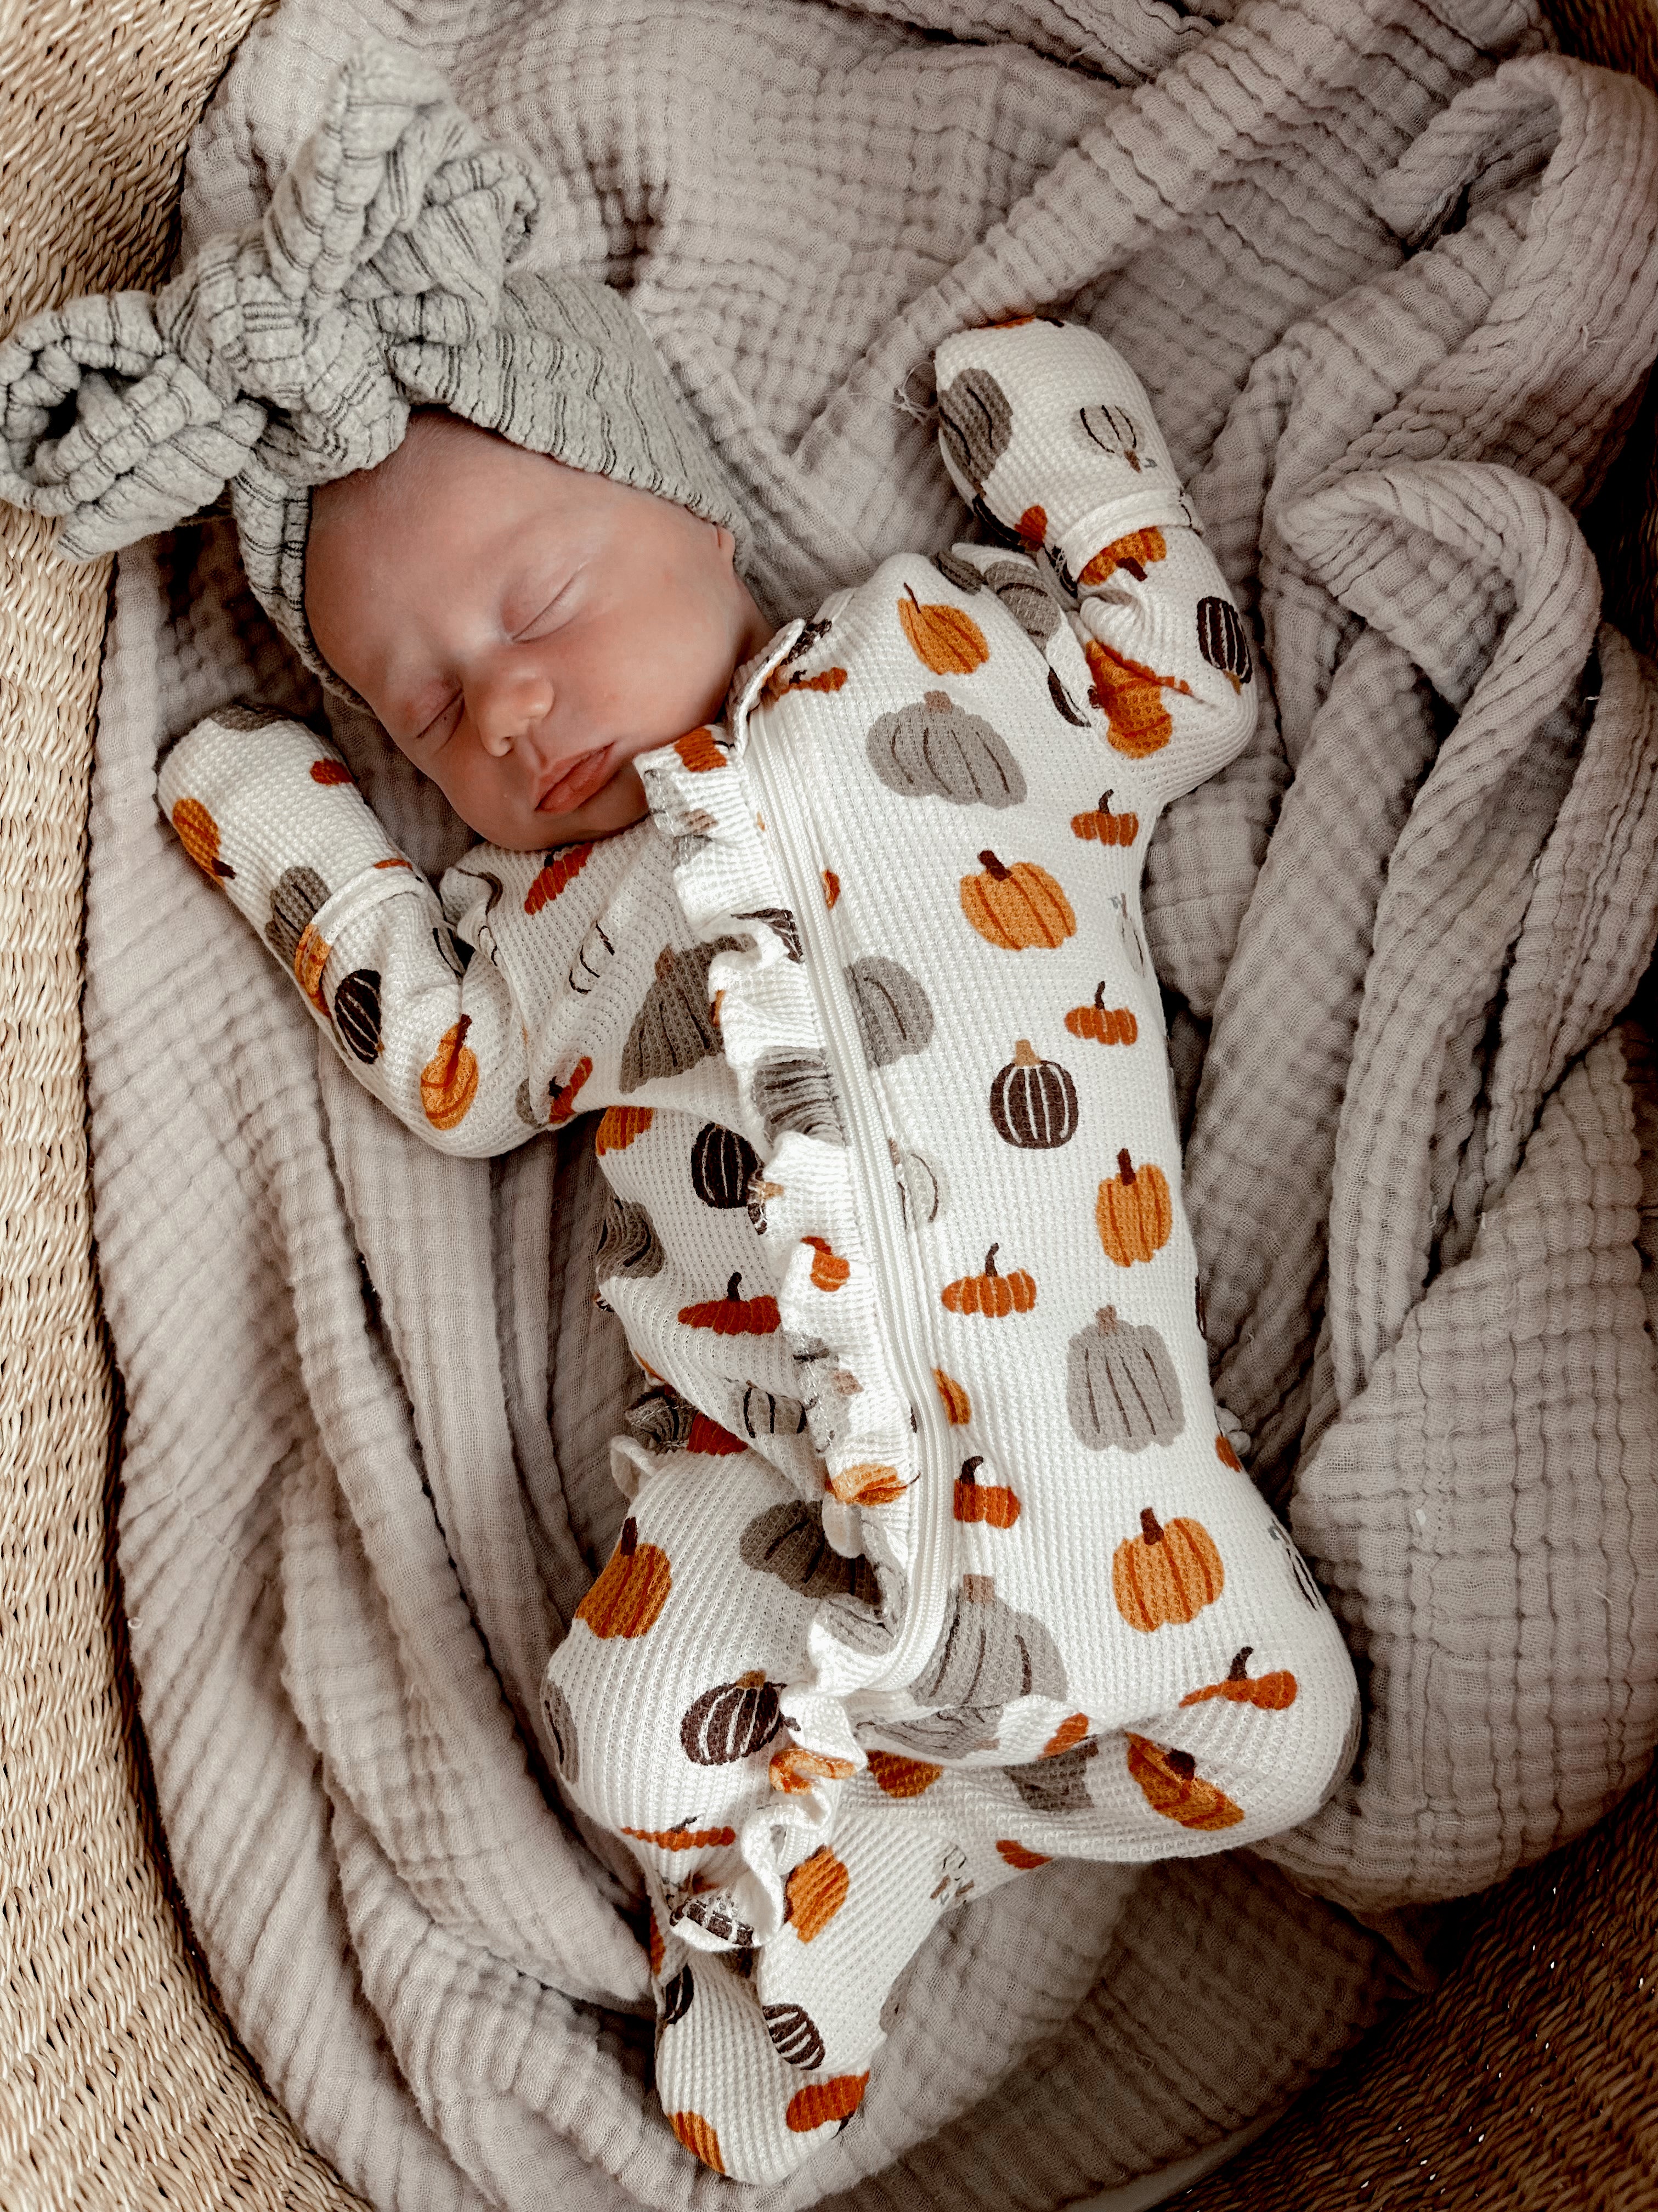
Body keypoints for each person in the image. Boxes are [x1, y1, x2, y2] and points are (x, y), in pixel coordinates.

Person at [0, 43, 1359, 2188]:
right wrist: (300, 844)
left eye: (530, 612)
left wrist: (1082, 459)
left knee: (1273, 1734)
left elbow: (1179, 689)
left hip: (1065, 1389)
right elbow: (450, 1072)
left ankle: (963, 1809)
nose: (504, 704)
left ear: (688, 507)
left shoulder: (932, 659)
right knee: (627, 1739)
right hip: (765, 1483)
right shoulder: (547, 921)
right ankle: (880, 1839)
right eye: (425, 708)